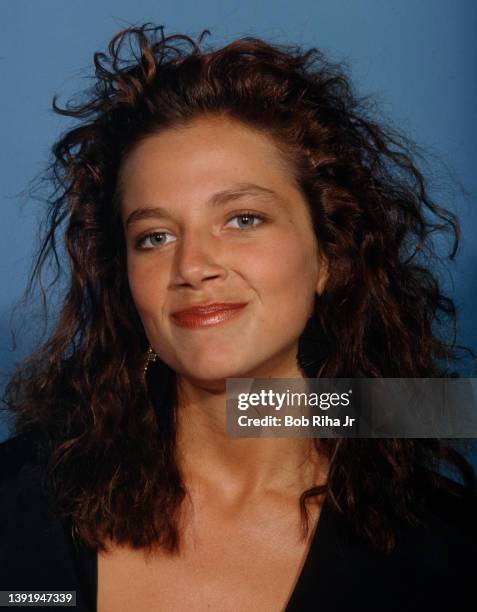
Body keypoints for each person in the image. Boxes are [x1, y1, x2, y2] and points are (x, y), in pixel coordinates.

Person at [1, 23, 476, 612]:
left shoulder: (444, 548)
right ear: (123, 280)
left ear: (330, 255)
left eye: (244, 219)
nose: (193, 265)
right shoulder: (21, 499)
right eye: (154, 236)